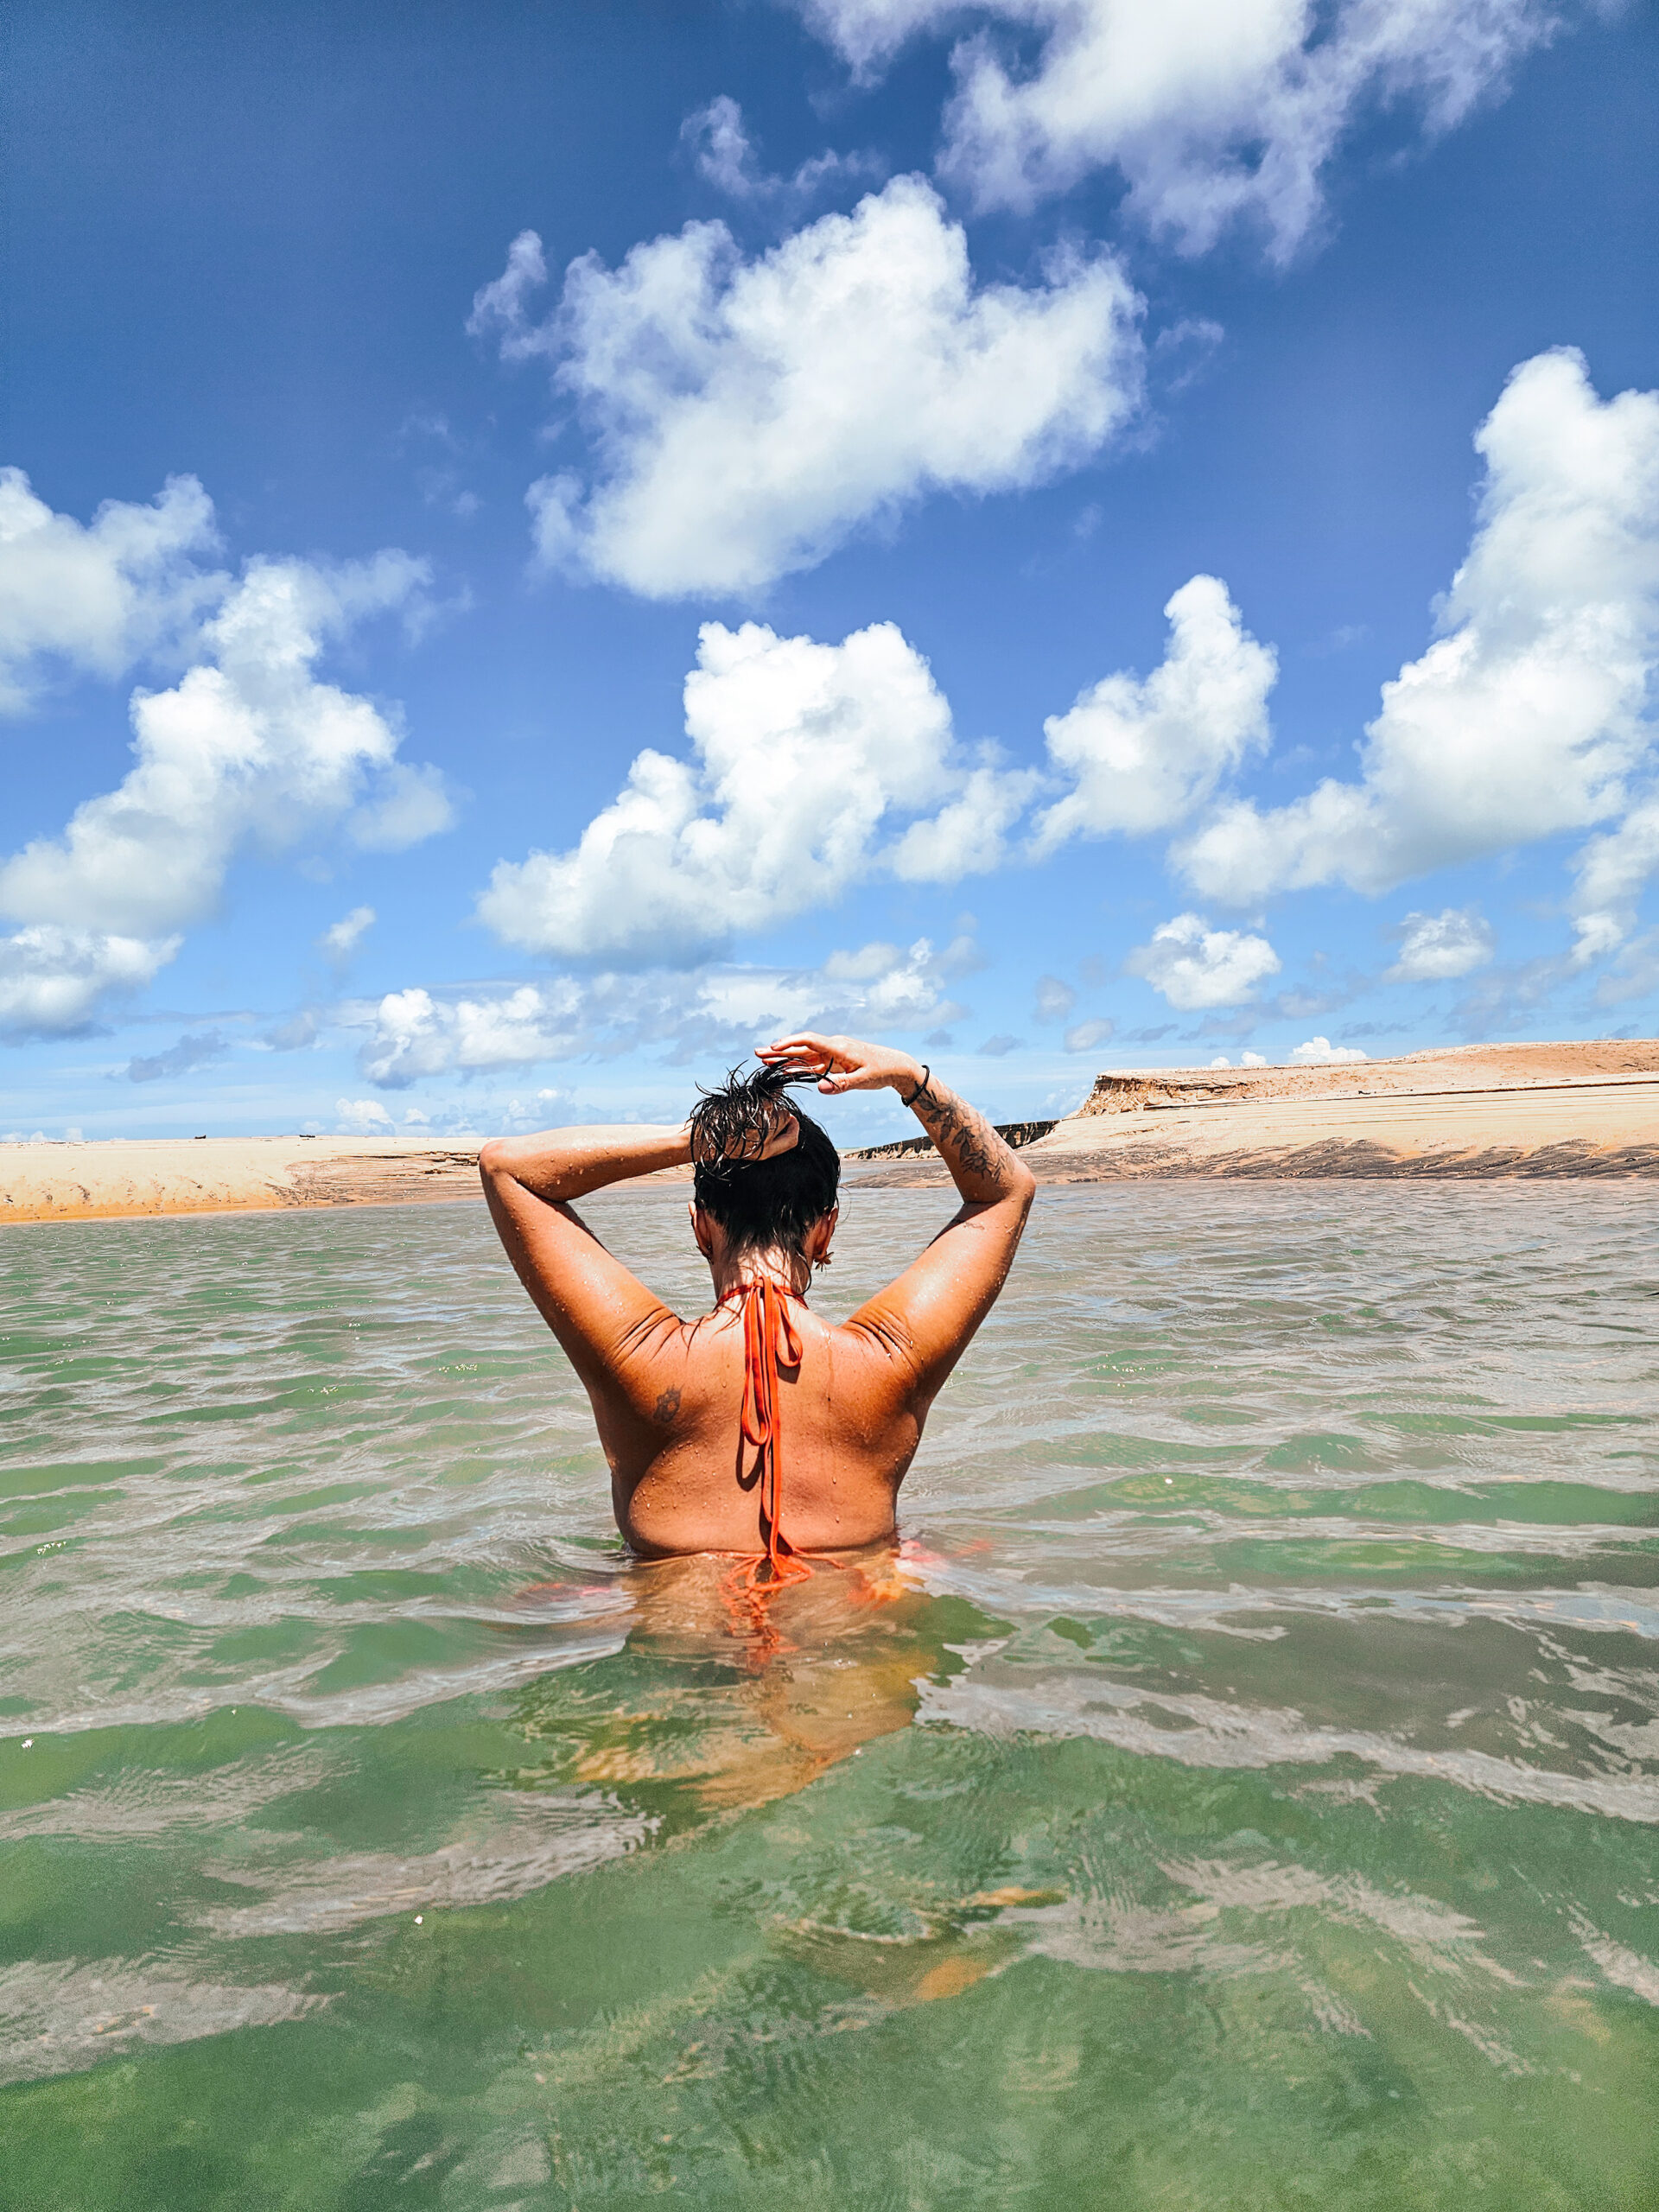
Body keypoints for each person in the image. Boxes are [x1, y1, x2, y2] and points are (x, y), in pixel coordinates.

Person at [478, 1032, 1035, 1571]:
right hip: (857, 1652)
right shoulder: (888, 1360)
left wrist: (699, 1141)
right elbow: (1004, 1192)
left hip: (684, 1647)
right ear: (826, 1233)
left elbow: (509, 1169)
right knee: (919, 1553)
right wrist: (906, 1076)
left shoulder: (640, 1357)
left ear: (700, 1229)